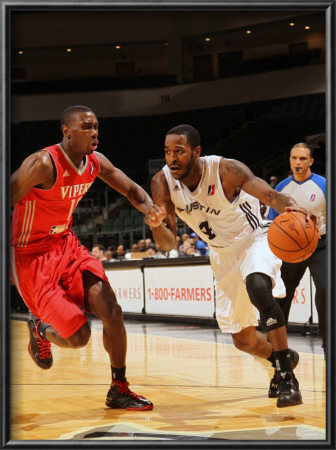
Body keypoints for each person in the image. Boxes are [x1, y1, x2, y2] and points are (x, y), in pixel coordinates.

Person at [145, 124, 317, 408]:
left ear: (196, 152)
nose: (172, 158)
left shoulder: (226, 170)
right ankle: (281, 358)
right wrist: (155, 226)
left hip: (254, 239)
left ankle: (287, 378)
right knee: (243, 339)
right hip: (221, 254)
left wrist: (293, 205)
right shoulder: (162, 184)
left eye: (179, 151)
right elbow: (167, 243)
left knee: (258, 287)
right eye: (167, 152)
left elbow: (272, 196)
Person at [10, 105, 154, 411]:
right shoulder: (42, 164)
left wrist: (151, 211)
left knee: (111, 309)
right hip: (31, 257)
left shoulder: (94, 162)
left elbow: (131, 190)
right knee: (79, 337)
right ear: (67, 131)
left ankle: (119, 388)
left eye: (97, 127)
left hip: (66, 245)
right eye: (87, 127)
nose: (94, 133)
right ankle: (39, 329)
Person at [267, 143, 326, 353]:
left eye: (302, 159)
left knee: (327, 289)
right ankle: (275, 345)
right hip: (291, 247)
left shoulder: (324, 185)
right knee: (281, 294)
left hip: (321, 244)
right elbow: (271, 224)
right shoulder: (281, 189)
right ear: (289, 160)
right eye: (294, 158)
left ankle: (329, 343)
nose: (297, 163)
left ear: (311, 161)